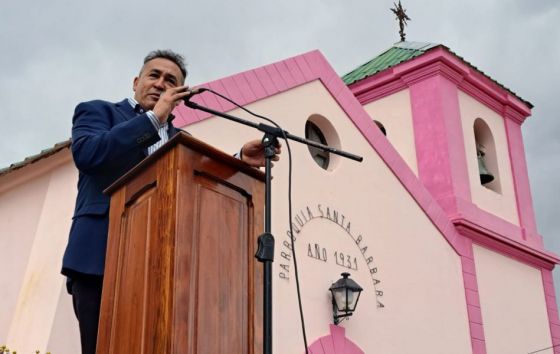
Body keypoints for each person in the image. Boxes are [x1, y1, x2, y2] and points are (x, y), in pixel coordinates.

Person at [61, 49, 279, 354]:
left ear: (179, 93)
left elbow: (196, 182)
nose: (161, 84)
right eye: (154, 75)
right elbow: (89, 155)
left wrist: (239, 160)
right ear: (136, 81)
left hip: (164, 268)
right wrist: (153, 120)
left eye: (170, 80)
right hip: (100, 258)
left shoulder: (181, 140)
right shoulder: (98, 112)